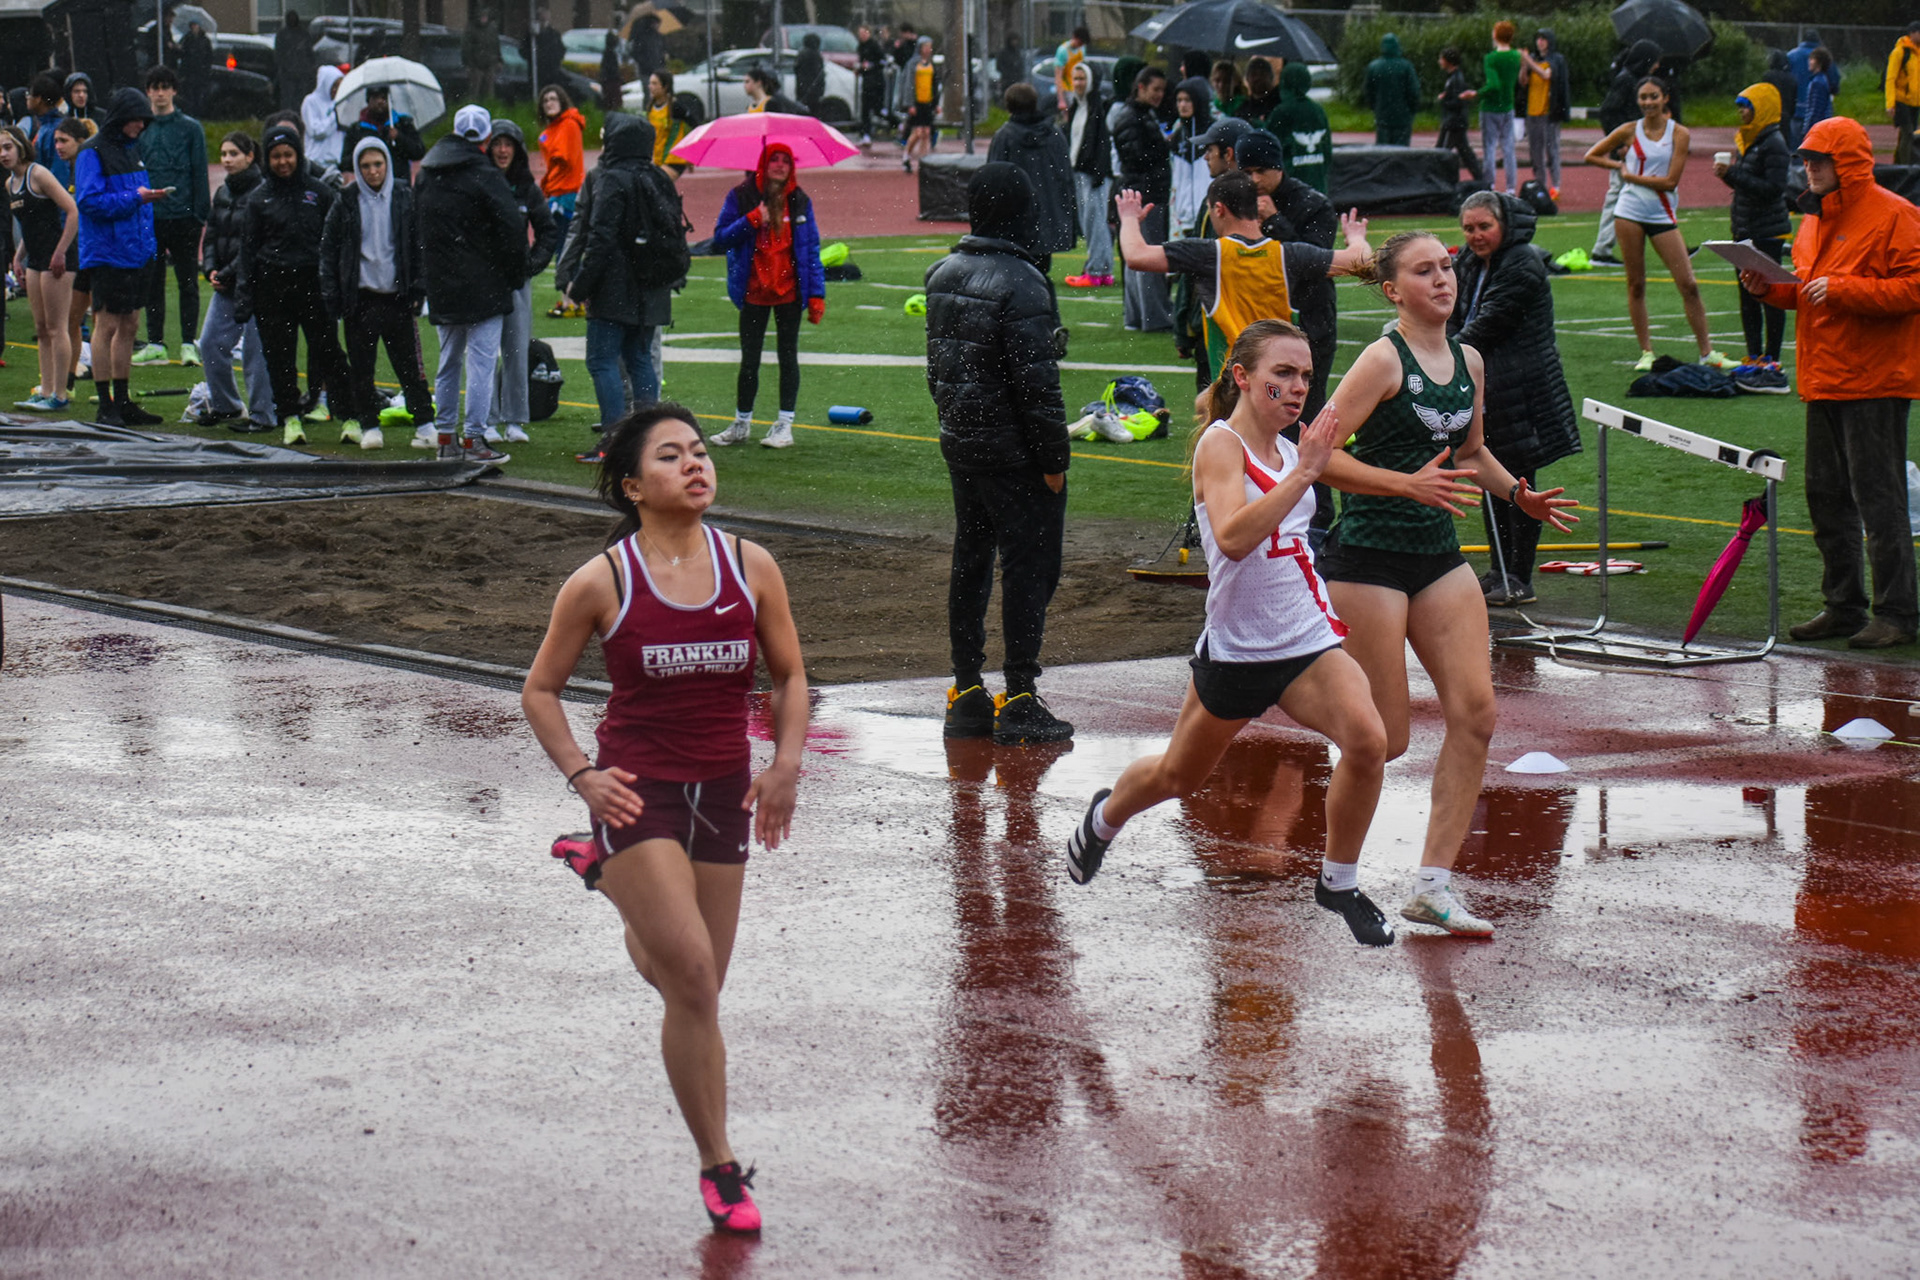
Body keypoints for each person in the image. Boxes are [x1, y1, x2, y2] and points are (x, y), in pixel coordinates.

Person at [519, 402, 808, 1238]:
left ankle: (604, 875)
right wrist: (582, 776)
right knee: (690, 979)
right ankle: (720, 1165)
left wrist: (785, 765)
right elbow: (540, 690)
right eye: (671, 456)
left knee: (698, 984)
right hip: (637, 794)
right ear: (632, 486)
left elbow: (790, 677)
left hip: (724, 792)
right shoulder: (601, 582)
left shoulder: (751, 565)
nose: (695, 465)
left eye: (700, 452)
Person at [1062, 318, 1395, 948]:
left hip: (1306, 640)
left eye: (1305, 375)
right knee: (1177, 778)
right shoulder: (1222, 446)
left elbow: (1345, 474)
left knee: (1368, 740)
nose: (1298, 387)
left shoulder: (1294, 450)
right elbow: (1235, 538)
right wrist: (1305, 474)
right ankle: (1104, 819)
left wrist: (1415, 487)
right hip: (1238, 653)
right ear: (1242, 377)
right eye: (1282, 374)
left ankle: (1339, 882)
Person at [1318, 230, 1580, 936]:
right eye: (1424, 271)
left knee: (1477, 714)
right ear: (1392, 291)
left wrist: (1518, 494)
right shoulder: (1382, 360)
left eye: (1447, 267)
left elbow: (1470, 451)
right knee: (1384, 741)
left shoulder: (1469, 360)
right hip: (1369, 557)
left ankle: (1432, 887)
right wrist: (1403, 483)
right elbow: (1319, 455)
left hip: (1437, 557)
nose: (1443, 279)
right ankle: (1336, 871)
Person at [1742, 116, 1920, 650]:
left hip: (1874, 380)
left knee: (1879, 498)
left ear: (1848, 163)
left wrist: (1844, 289)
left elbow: (1914, 287)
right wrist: (1768, 288)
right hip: (1824, 377)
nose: (1809, 168)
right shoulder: (1814, 218)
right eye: (1806, 160)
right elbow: (1806, 291)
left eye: (1819, 160)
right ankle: (1843, 606)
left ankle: (1897, 613)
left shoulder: (1897, 215)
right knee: (1826, 496)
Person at [924, 163, 1073, 746]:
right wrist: (1053, 460)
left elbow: (938, 370)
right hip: (1014, 453)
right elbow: (1038, 388)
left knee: (972, 560)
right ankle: (1021, 695)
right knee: (1028, 568)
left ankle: (966, 691)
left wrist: (957, 424)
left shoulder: (943, 272)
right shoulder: (1024, 282)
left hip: (963, 445)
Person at [1119, 171, 1370, 386]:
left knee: (1211, 415)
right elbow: (1359, 261)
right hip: (1277, 384)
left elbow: (1136, 256)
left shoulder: (1209, 254)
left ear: (1219, 209)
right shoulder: (1288, 255)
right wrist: (1356, 238)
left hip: (1234, 385)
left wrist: (1129, 219)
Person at [1449, 191, 1579, 606]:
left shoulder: (1522, 261)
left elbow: (1490, 322)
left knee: (1519, 480)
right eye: (1469, 228)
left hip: (1522, 388)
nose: (1476, 235)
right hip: (1488, 385)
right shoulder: (1470, 262)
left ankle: (1519, 577)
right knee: (1493, 481)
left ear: (1504, 224)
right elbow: (1454, 312)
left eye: (1484, 226)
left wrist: (1441, 354)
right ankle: (1499, 569)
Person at [1582, 77, 1736, 371]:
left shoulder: (1679, 133)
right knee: (1636, 284)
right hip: (1629, 213)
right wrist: (1619, 166)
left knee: (1689, 284)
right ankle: (1646, 352)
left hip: (1662, 215)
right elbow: (1592, 155)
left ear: (1665, 98)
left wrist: (1631, 176)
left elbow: (1670, 182)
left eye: (1653, 96)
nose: (1648, 102)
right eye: (1643, 97)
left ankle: (1707, 352)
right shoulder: (1629, 130)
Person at [557, 113, 676, 439]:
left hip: (613, 287)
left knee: (602, 360)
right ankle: (647, 438)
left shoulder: (609, 178)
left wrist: (578, 286)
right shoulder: (658, 177)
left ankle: (613, 437)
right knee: (640, 359)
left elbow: (598, 238)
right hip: (652, 285)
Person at [415, 103, 523, 462]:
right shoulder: (485, 174)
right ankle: (474, 438)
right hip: (484, 283)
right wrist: (512, 273)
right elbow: (511, 228)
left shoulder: (427, 173)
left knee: (449, 361)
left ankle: (446, 438)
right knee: (480, 363)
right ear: (486, 138)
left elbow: (416, 228)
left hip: (442, 283)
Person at [234, 123, 350, 445]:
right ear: (267, 159)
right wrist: (244, 296)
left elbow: (337, 243)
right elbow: (248, 250)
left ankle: (351, 416)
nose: (283, 162)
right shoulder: (259, 198)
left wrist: (338, 286)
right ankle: (290, 418)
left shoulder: (320, 193)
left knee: (329, 353)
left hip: (314, 286)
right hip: (273, 288)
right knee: (280, 358)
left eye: (288, 155)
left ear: (298, 155)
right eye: (276, 156)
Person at [708, 143, 824, 450]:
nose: (780, 165)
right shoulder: (741, 195)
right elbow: (720, 238)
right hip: (753, 291)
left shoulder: (800, 200)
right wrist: (751, 220)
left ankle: (784, 424)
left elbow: (811, 249)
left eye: (786, 160)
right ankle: (741, 422)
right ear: (763, 163)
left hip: (789, 292)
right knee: (749, 360)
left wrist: (816, 294)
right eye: (774, 159)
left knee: (788, 356)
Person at [318, 136, 432, 449]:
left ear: (387, 164)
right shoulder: (346, 200)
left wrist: (418, 287)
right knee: (362, 370)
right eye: (365, 165)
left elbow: (418, 245)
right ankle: (370, 426)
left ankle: (425, 424)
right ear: (357, 167)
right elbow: (329, 249)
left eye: (378, 164)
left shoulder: (404, 196)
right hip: (361, 300)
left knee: (410, 368)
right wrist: (333, 295)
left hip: (397, 298)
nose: (372, 171)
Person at [74, 87, 165, 428]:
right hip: (108, 253)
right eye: (136, 119)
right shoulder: (91, 152)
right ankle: (105, 404)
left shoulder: (132, 149)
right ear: (121, 118)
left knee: (130, 324)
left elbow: (135, 200)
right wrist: (135, 198)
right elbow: (88, 202)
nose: (141, 125)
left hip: (137, 251)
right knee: (107, 325)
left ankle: (123, 401)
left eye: (144, 121)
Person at [1236, 130, 1339, 427]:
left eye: (1261, 170)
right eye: (1247, 172)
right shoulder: (1236, 202)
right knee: (1251, 411)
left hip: (1310, 320)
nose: (1254, 179)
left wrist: (1274, 221)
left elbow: (1314, 263)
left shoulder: (1313, 204)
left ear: (1278, 167)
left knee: (1303, 410)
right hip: (1257, 318)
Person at [195, 130, 276, 432]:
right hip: (227, 284)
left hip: (256, 284)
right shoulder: (223, 192)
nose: (227, 160)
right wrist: (210, 268)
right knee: (210, 343)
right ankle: (226, 405)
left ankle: (263, 415)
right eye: (224, 154)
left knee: (256, 353)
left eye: (234, 154)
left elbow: (254, 244)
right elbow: (212, 234)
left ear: (250, 156)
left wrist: (226, 272)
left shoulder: (263, 192)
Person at [483, 120, 558, 445]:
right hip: (484, 281)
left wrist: (533, 264)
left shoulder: (527, 187)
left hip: (517, 282)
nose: (503, 150)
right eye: (497, 144)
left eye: (508, 145)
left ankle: (515, 420)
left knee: (516, 351)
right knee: (485, 352)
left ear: (517, 150)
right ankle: (486, 420)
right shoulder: (479, 182)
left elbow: (548, 230)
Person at [1715, 83, 1792, 391]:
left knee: (1770, 295)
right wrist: (1730, 177)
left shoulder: (1774, 143)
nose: (1741, 112)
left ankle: (1771, 359)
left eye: (1745, 106)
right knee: (1748, 295)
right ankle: (1754, 357)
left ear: (1761, 109)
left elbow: (1773, 189)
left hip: (1767, 231)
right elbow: (1749, 187)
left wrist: (1732, 174)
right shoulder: (1749, 140)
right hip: (1747, 227)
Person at [133, 65, 208, 369]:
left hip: (184, 218)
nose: (160, 93)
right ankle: (155, 343)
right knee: (153, 282)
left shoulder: (191, 128)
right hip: (151, 218)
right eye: (155, 87)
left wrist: (200, 215)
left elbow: (199, 172)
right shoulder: (141, 128)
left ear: (174, 90)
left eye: (165, 87)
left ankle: (189, 343)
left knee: (188, 283)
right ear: (148, 91)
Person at [4, 125, 77, 412]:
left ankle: (60, 394)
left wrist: (60, 252)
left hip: (57, 257)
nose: (3, 154)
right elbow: (29, 225)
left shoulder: (39, 174)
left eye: (7, 147)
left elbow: (72, 211)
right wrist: (18, 257)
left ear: (21, 147)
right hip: (35, 258)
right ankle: (45, 390)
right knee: (41, 328)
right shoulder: (9, 184)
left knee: (57, 327)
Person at [987, 81, 1076, 274]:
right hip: (1045, 211)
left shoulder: (1004, 136)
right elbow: (1065, 174)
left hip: (1015, 216)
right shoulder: (1053, 133)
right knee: (1040, 271)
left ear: (1009, 106)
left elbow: (993, 178)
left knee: (1015, 273)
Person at [1591, 39, 1661, 265]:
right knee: (1628, 196)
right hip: (1627, 151)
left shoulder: (1632, 80)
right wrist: (1618, 144)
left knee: (1634, 197)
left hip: (1634, 149)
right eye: (1655, 61)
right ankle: (1602, 249)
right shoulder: (1627, 81)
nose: (1657, 65)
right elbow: (1608, 112)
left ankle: (1603, 247)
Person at [1114, 66, 1172, 333]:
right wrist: (1164, 147)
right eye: (1155, 89)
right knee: (1148, 254)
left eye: (1162, 90)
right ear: (1141, 87)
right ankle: (1154, 316)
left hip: (1139, 191)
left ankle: (1137, 316)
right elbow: (1136, 157)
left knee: (1136, 255)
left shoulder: (1138, 115)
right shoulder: (1133, 117)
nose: (1160, 94)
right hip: (1145, 193)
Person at [52, 119, 98, 395]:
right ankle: (68, 383)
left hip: (96, 253)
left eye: (64, 141)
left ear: (80, 142)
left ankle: (110, 388)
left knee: (102, 322)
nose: (58, 146)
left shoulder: (90, 166)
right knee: (72, 319)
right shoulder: (70, 169)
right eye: (56, 141)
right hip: (78, 254)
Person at [1062, 63, 1113, 290]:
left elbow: (1102, 143)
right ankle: (1101, 268)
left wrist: (1098, 173)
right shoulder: (1077, 106)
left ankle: (1097, 270)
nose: (1078, 83)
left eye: (1082, 78)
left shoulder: (1097, 108)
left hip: (1093, 174)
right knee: (1090, 222)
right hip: (1080, 171)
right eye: (1076, 79)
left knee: (1095, 222)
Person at [338, 84, 426, 187]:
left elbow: (419, 152)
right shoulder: (357, 129)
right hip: (368, 186)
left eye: (384, 98)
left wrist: (399, 137)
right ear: (368, 101)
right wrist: (363, 151)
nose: (380, 101)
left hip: (399, 184)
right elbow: (344, 164)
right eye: (375, 98)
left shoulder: (402, 123)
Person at [1270, 61, 1332, 196]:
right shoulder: (1318, 110)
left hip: (1291, 189)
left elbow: (1270, 147)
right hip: (1318, 186)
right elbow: (1327, 150)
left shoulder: (1281, 112)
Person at [537, 85, 585, 257]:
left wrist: (547, 183)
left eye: (553, 99)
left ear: (562, 101)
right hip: (557, 192)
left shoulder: (569, 124)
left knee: (564, 247)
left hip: (567, 193)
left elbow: (562, 158)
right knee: (561, 246)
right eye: (545, 101)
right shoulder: (552, 129)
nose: (549, 103)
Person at [1520, 29, 1569, 197]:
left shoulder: (1556, 59)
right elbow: (1523, 81)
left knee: (1551, 149)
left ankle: (1556, 185)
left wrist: (1528, 60)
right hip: (1532, 111)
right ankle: (1540, 184)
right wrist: (1524, 65)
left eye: (1543, 39)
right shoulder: (1533, 58)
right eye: (1538, 39)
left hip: (1549, 112)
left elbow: (1546, 75)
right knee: (1535, 151)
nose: (1540, 42)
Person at [1167, 77, 1214, 235]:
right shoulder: (1177, 135)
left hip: (1208, 215)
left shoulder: (1212, 133)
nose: (1182, 105)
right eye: (1179, 100)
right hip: (1182, 218)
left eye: (1187, 100)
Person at [1480, 21, 1521, 196]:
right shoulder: (1516, 56)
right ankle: (1511, 187)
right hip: (1507, 105)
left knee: (1489, 147)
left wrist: (1477, 94)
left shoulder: (1491, 58)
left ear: (1496, 35)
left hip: (1491, 106)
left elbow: (1493, 85)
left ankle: (1489, 184)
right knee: (1508, 148)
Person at [1365, 33, 1421, 147]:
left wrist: (1375, 108)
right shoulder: (1406, 66)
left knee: (1382, 150)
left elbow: (1368, 92)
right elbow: (1414, 92)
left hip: (1382, 116)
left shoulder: (1373, 67)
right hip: (1403, 116)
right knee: (1401, 150)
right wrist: (1412, 110)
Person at [1436, 47, 1482, 181]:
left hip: (1454, 122)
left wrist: (1443, 100)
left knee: (1442, 152)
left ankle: (1440, 178)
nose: (1439, 61)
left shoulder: (1455, 79)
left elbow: (1457, 102)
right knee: (1464, 152)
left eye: (1441, 59)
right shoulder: (1454, 77)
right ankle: (1480, 178)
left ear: (1448, 61)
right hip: (1456, 121)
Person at [1787, 29, 1838, 148]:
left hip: (1796, 110)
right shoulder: (1825, 58)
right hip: (1819, 120)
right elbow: (1834, 82)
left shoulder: (1791, 56)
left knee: (1795, 149)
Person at [300, 66, 345, 189]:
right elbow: (316, 131)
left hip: (334, 163)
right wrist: (335, 116)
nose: (336, 90)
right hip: (315, 160)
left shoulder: (339, 103)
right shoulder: (310, 101)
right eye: (334, 86)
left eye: (339, 86)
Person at [898, 36, 938, 172]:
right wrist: (910, 104)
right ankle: (906, 155)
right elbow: (909, 84)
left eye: (929, 47)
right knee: (917, 132)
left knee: (926, 132)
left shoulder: (931, 64)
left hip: (927, 102)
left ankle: (924, 160)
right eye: (925, 47)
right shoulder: (914, 64)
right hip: (917, 102)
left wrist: (935, 103)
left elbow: (934, 85)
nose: (928, 50)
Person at [646, 71, 692, 179]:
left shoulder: (675, 107)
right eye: (650, 83)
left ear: (665, 87)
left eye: (654, 83)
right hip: (658, 160)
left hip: (674, 159)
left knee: (657, 183)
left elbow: (695, 126)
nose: (650, 87)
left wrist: (690, 154)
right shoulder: (650, 108)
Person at [1888, 24, 1920, 166]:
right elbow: (1891, 78)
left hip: (1915, 101)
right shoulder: (1900, 52)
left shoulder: (1918, 53)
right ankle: (1906, 168)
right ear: (1912, 33)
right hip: (1902, 100)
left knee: (1905, 134)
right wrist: (1890, 103)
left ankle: (1897, 166)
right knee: (1908, 133)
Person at [275, 11, 315, 113]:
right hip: (287, 75)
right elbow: (279, 55)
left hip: (302, 74)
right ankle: (287, 116)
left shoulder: (303, 34)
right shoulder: (282, 34)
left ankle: (299, 115)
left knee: (301, 99)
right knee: (288, 99)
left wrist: (309, 69)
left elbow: (309, 53)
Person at [855, 24, 887, 143]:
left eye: (864, 33)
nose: (862, 36)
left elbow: (882, 61)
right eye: (860, 34)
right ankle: (865, 133)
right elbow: (862, 63)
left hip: (876, 82)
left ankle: (897, 122)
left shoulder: (874, 46)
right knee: (866, 109)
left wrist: (871, 66)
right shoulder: (860, 47)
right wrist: (860, 70)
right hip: (867, 82)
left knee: (877, 109)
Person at [464, 9, 503, 102]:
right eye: (482, 17)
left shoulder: (492, 29)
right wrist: (468, 64)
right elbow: (467, 48)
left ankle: (489, 105)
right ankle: (474, 104)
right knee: (475, 89)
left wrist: (499, 60)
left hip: (490, 63)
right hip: (476, 64)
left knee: (489, 89)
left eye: (485, 17)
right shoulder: (472, 29)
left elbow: (496, 46)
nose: (483, 19)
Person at [180, 20, 214, 116]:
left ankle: (198, 112)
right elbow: (183, 54)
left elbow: (209, 56)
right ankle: (190, 112)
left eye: (195, 25)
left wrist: (206, 68)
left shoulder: (205, 40)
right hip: (190, 71)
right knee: (189, 94)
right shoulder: (187, 38)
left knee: (199, 93)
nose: (194, 27)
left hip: (200, 71)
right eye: (192, 26)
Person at [794, 32, 826, 116]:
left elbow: (796, 69)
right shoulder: (816, 55)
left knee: (802, 112)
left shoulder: (801, 54)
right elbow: (819, 73)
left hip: (802, 89)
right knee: (813, 112)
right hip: (814, 90)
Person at [1055, 26, 1089, 100]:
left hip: (1079, 88)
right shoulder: (1063, 51)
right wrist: (1061, 100)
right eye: (1080, 43)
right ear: (1074, 37)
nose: (1080, 45)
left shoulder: (1082, 49)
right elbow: (1058, 77)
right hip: (1067, 90)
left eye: (1082, 44)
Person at [1804, 48, 1835, 131]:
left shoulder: (1817, 83)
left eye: (1812, 59)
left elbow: (1815, 110)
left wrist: (1807, 130)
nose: (1809, 62)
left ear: (1819, 63)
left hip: (1817, 128)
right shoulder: (1823, 79)